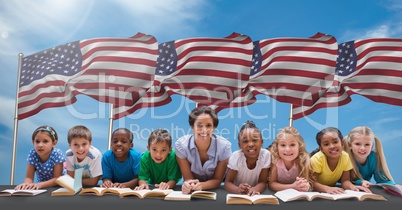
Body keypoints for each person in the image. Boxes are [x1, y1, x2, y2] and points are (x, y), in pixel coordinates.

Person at [175, 106, 232, 194]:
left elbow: (217, 180)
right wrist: (188, 185)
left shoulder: (224, 147)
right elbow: (188, 178)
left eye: (208, 125)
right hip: (194, 191)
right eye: (199, 125)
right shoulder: (181, 146)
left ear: (214, 128)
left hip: (216, 191)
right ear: (192, 127)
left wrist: (201, 186)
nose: (204, 130)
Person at [309, 127, 370, 194]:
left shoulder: (345, 157)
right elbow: (311, 182)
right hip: (315, 192)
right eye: (326, 144)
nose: (332, 146)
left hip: (331, 191)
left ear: (342, 144)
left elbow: (345, 181)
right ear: (321, 148)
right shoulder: (317, 159)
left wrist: (353, 187)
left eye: (335, 142)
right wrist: (327, 189)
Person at [224, 121, 270, 196]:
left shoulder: (265, 155)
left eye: (255, 140)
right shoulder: (236, 157)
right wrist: (238, 189)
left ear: (261, 142)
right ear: (239, 145)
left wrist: (255, 189)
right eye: (245, 141)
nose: (251, 144)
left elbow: (262, 182)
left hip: (254, 195)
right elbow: (227, 183)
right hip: (238, 196)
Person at [14, 125, 66, 190]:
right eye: (37, 141)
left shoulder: (57, 154)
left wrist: (40, 184)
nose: (40, 145)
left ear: (54, 143)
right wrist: (26, 184)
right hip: (41, 187)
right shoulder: (33, 154)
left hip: (59, 187)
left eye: (45, 141)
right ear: (33, 142)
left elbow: (57, 179)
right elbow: (29, 177)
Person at [268, 126, 312, 192]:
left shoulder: (303, 160)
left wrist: (305, 186)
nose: (288, 149)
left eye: (292, 145)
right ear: (277, 147)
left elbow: (307, 182)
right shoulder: (275, 161)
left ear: (299, 146)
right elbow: (271, 184)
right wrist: (292, 187)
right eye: (283, 145)